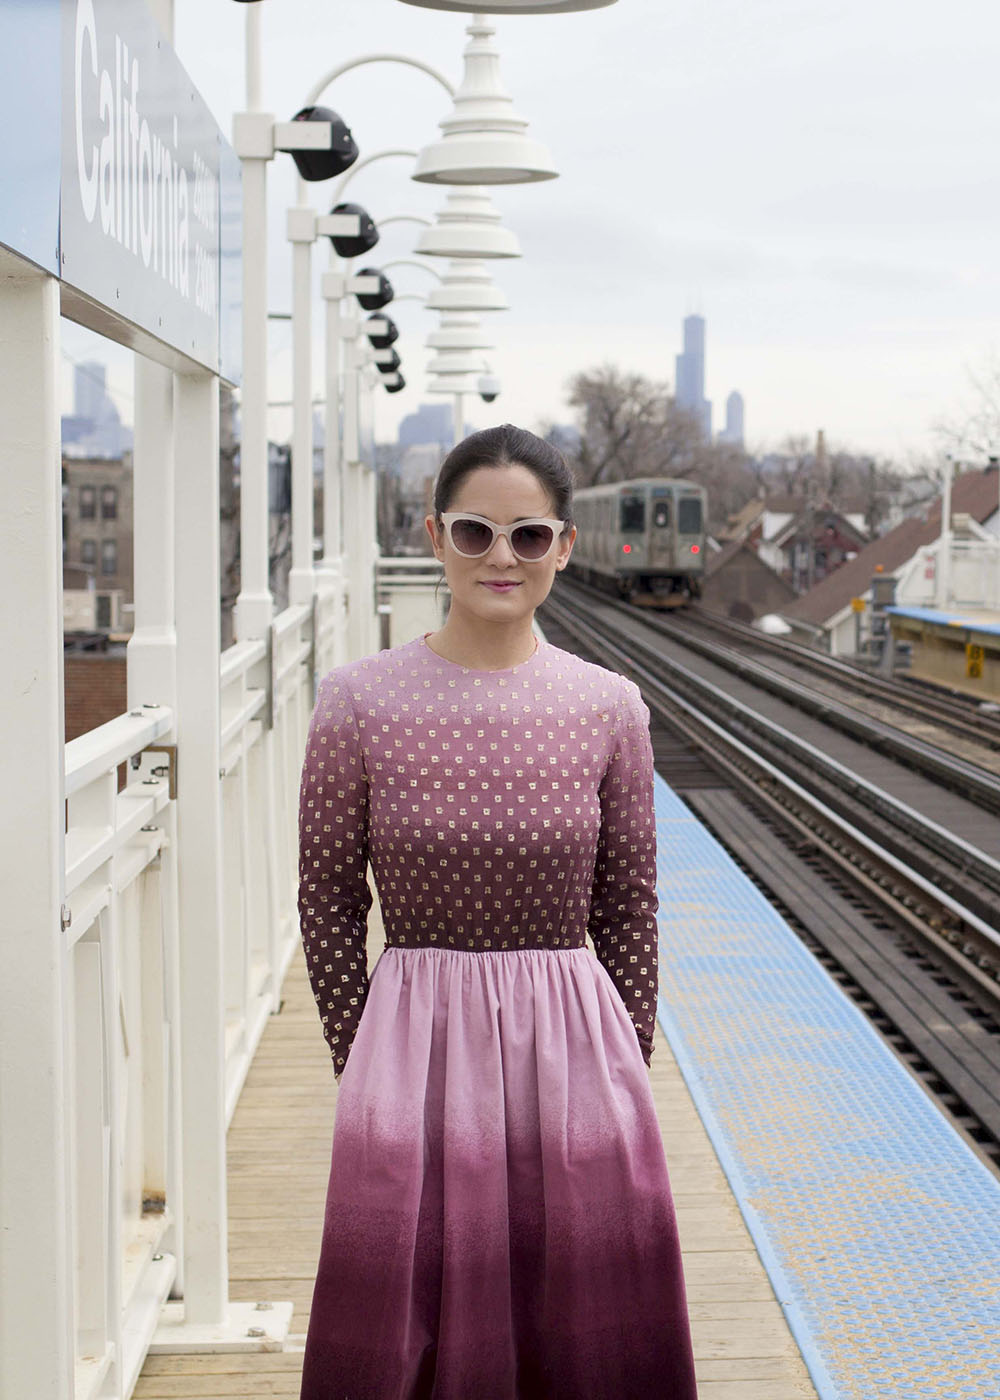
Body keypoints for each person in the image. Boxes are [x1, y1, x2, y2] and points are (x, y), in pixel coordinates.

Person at [297, 425, 698, 1399]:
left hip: (575, 1054)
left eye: (527, 536)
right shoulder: (356, 701)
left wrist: (621, 1060)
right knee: (410, 1320)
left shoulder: (611, 706)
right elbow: (328, 895)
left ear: (562, 546)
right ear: (435, 534)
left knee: (581, 1325)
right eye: (475, 531)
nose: (500, 558)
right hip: (412, 1047)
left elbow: (629, 904)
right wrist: (367, 1062)